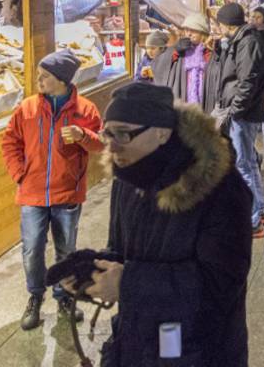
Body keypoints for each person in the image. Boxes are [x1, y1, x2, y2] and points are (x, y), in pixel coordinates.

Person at [81, 83, 252, 367]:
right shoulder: (128, 178)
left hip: (197, 351)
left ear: (161, 132)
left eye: (123, 133)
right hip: (138, 342)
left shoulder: (220, 189)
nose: (111, 146)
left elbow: (220, 284)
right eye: (108, 133)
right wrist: (92, 270)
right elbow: (123, 252)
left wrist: (127, 283)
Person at [0, 49, 102, 330]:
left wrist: (84, 136)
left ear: (61, 79)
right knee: (32, 248)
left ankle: (65, 297)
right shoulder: (27, 108)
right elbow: (9, 142)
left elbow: (100, 144)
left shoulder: (86, 110)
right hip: (32, 193)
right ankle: (35, 296)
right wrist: (20, 173)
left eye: (44, 76)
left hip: (67, 192)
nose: (39, 80)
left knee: (66, 251)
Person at [208, 2, 264, 237]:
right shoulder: (239, 41)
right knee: (249, 163)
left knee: (243, 165)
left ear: (226, 24)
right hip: (242, 112)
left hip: (243, 114)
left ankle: (253, 219)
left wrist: (234, 111)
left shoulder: (248, 43)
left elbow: (247, 82)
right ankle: (260, 209)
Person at [152, 12, 212, 105]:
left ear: (202, 32)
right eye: (187, 30)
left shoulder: (209, 52)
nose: (189, 34)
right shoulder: (181, 50)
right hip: (184, 102)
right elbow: (158, 66)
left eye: (193, 30)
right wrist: (176, 50)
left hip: (205, 101)